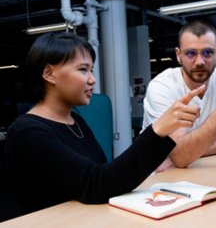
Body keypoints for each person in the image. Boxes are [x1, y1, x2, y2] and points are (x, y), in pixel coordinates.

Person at [3, 32, 205, 220]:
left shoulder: (76, 121)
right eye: (83, 70)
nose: (92, 80)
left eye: (91, 70)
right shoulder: (28, 133)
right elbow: (97, 184)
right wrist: (158, 130)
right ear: (49, 73)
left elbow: (102, 174)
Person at [142, 20, 216, 172]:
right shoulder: (162, 87)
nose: (199, 62)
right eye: (191, 53)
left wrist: (179, 154)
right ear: (178, 55)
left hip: (198, 170)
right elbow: (181, 157)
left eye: (207, 53)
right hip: (158, 180)